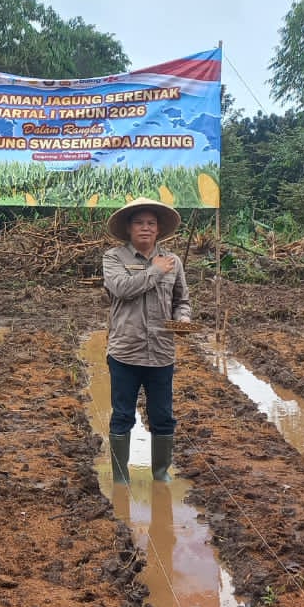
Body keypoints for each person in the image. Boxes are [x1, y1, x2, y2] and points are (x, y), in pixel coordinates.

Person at [103, 198, 192, 485]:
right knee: (122, 415)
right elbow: (122, 289)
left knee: (163, 416)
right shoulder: (114, 258)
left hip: (162, 353)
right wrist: (155, 270)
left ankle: (160, 473)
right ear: (129, 228)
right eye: (139, 222)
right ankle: (120, 476)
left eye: (151, 223)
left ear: (158, 229)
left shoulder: (174, 262)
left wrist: (184, 319)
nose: (145, 228)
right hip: (125, 352)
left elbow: (182, 301)